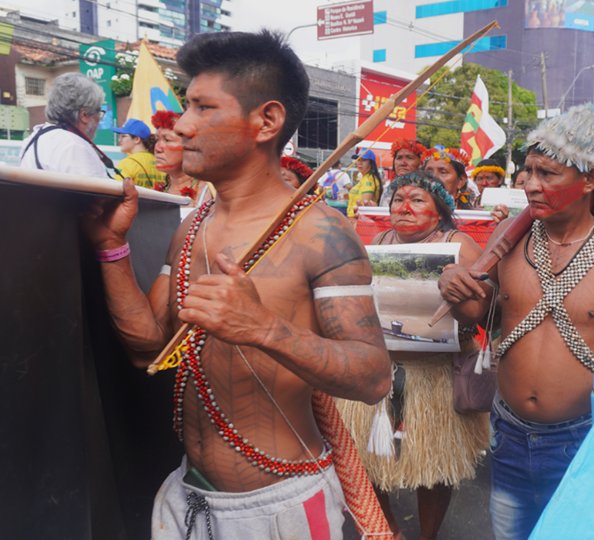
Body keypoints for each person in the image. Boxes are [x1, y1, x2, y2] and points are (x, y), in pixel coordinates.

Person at [81, 30, 391, 539]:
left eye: (203, 107)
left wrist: (263, 328)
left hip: (280, 507)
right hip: (189, 494)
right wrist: (111, 249)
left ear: (266, 121)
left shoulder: (321, 233)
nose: (182, 125)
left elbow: (374, 377)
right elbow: (149, 349)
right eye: (187, 105)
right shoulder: (191, 228)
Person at [438, 105, 594, 538]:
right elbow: (475, 315)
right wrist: (453, 286)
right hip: (507, 432)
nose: (530, 184)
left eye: (547, 173)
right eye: (527, 171)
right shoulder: (509, 239)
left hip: (581, 437)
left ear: (590, 179)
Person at [338, 170, 488, 540]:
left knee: (433, 465)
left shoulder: (460, 245)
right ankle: (388, 529)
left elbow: (483, 310)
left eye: (417, 200)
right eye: (397, 200)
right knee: (371, 458)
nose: (404, 208)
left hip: (437, 373)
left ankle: (427, 536)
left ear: (440, 211)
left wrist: (460, 294)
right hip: (382, 368)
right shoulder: (379, 241)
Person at [19, 72, 110, 177]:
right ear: (84, 115)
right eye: (99, 113)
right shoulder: (75, 146)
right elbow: (96, 187)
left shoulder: (33, 139)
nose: (99, 120)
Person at [151, 110, 213, 207]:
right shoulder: (155, 194)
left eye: (167, 140)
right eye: (157, 139)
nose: (157, 148)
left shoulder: (212, 192)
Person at [113, 118, 165, 189]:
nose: (119, 140)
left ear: (137, 139)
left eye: (123, 136)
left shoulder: (127, 163)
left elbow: (117, 189)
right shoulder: (161, 162)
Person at [378, 138, 426, 206]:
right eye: (399, 158)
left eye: (409, 158)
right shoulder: (390, 189)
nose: (403, 163)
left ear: (421, 162)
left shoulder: (428, 189)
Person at [347, 148, 382, 217]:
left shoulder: (369, 180)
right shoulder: (365, 178)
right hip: (353, 218)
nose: (360, 163)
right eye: (358, 159)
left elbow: (365, 207)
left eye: (364, 160)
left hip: (357, 219)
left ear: (371, 163)